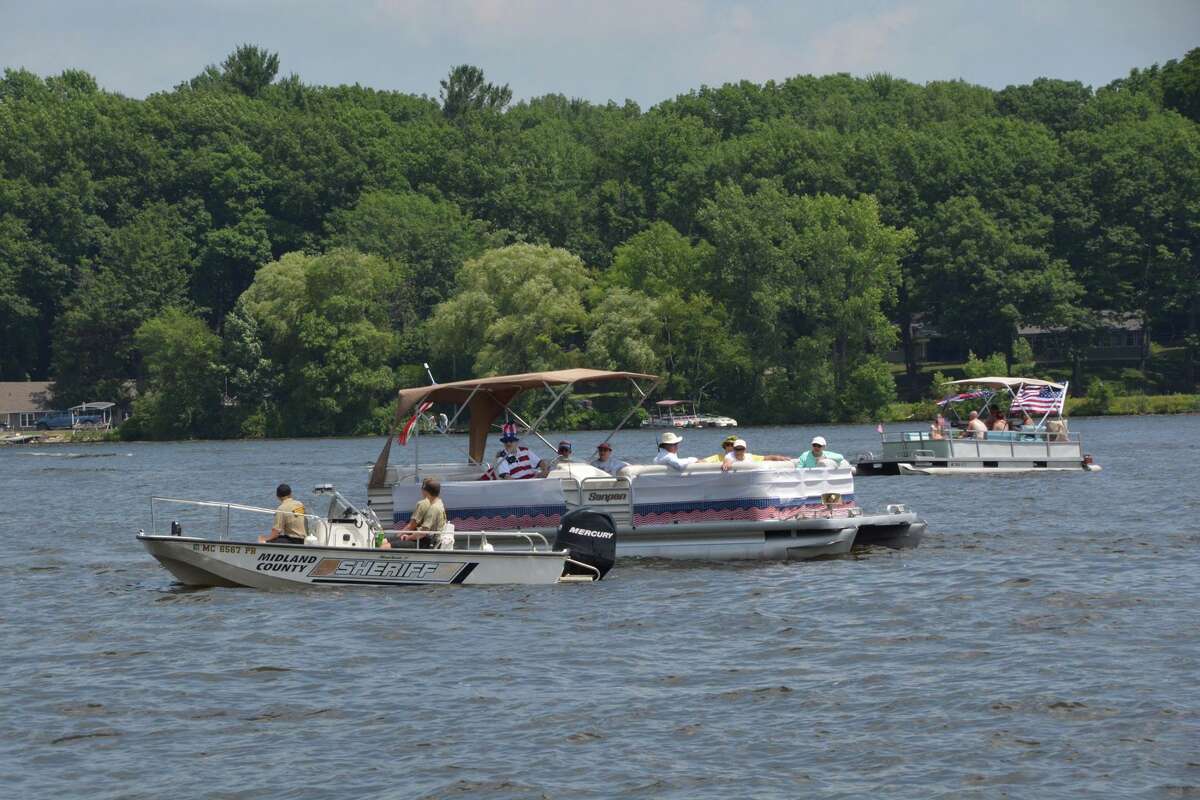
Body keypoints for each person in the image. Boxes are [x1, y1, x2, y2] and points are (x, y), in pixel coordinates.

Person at [381, 478, 450, 549]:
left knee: (385, 546)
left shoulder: (433, 508)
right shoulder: (439, 503)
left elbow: (422, 533)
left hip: (428, 543)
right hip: (430, 540)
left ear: (426, 491)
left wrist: (408, 537)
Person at [721, 438, 792, 471]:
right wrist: (726, 463)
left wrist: (783, 458)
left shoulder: (749, 456)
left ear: (745, 450)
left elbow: (769, 457)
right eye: (737, 449)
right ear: (734, 449)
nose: (739, 451)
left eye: (741, 449)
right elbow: (727, 460)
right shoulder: (730, 455)